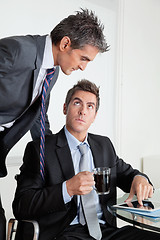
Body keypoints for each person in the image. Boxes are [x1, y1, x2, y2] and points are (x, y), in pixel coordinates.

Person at [0, 9, 108, 238]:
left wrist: (52, 152)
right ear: (66, 43)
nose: (83, 67)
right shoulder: (17, 50)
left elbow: (38, 116)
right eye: (83, 58)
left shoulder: (53, 72)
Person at [12, 79, 159, 240]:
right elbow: (21, 205)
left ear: (94, 115)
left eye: (90, 106)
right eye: (77, 103)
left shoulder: (104, 145)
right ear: (65, 108)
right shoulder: (40, 149)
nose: (83, 111)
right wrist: (66, 189)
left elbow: (127, 174)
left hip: (104, 231)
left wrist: (139, 178)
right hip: (64, 233)